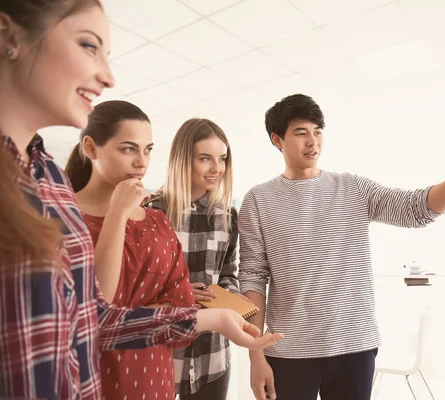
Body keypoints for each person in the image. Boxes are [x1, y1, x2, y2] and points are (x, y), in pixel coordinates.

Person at [0, 2, 281, 399]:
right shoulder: (125, 204)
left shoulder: (48, 180)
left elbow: (93, 318)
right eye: (87, 46)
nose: (107, 75)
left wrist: (217, 314)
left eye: (147, 149)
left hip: (160, 371)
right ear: (9, 37)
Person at [239, 94, 445, 400]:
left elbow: (415, 209)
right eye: (301, 133)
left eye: (318, 132)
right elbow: (252, 277)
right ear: (277, 140)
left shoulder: (352, 188)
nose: (312, 141)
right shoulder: (258, 201)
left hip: (354, 348)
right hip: (288, 352)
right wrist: (255, 354)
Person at [64, 100, 198, 400]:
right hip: (91, 384)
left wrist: (124, 317)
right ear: (90, 147)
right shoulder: (64, 218)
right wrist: (117, 214)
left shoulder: (157, 222)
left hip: (155, 381)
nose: (141, 162)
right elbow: (91, 313)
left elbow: (183, 311)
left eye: (148, 149)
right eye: (128, 149)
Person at [147, 118, 243, 400]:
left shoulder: (228, 217)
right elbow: (137, 289)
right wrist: (182, 294)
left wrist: (233, 298)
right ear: (183, 160)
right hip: (161, 348)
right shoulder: (152, 212)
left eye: (222, 158)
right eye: (205, 158)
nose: (217, 168)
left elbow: (227, 273)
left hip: (211, 354)